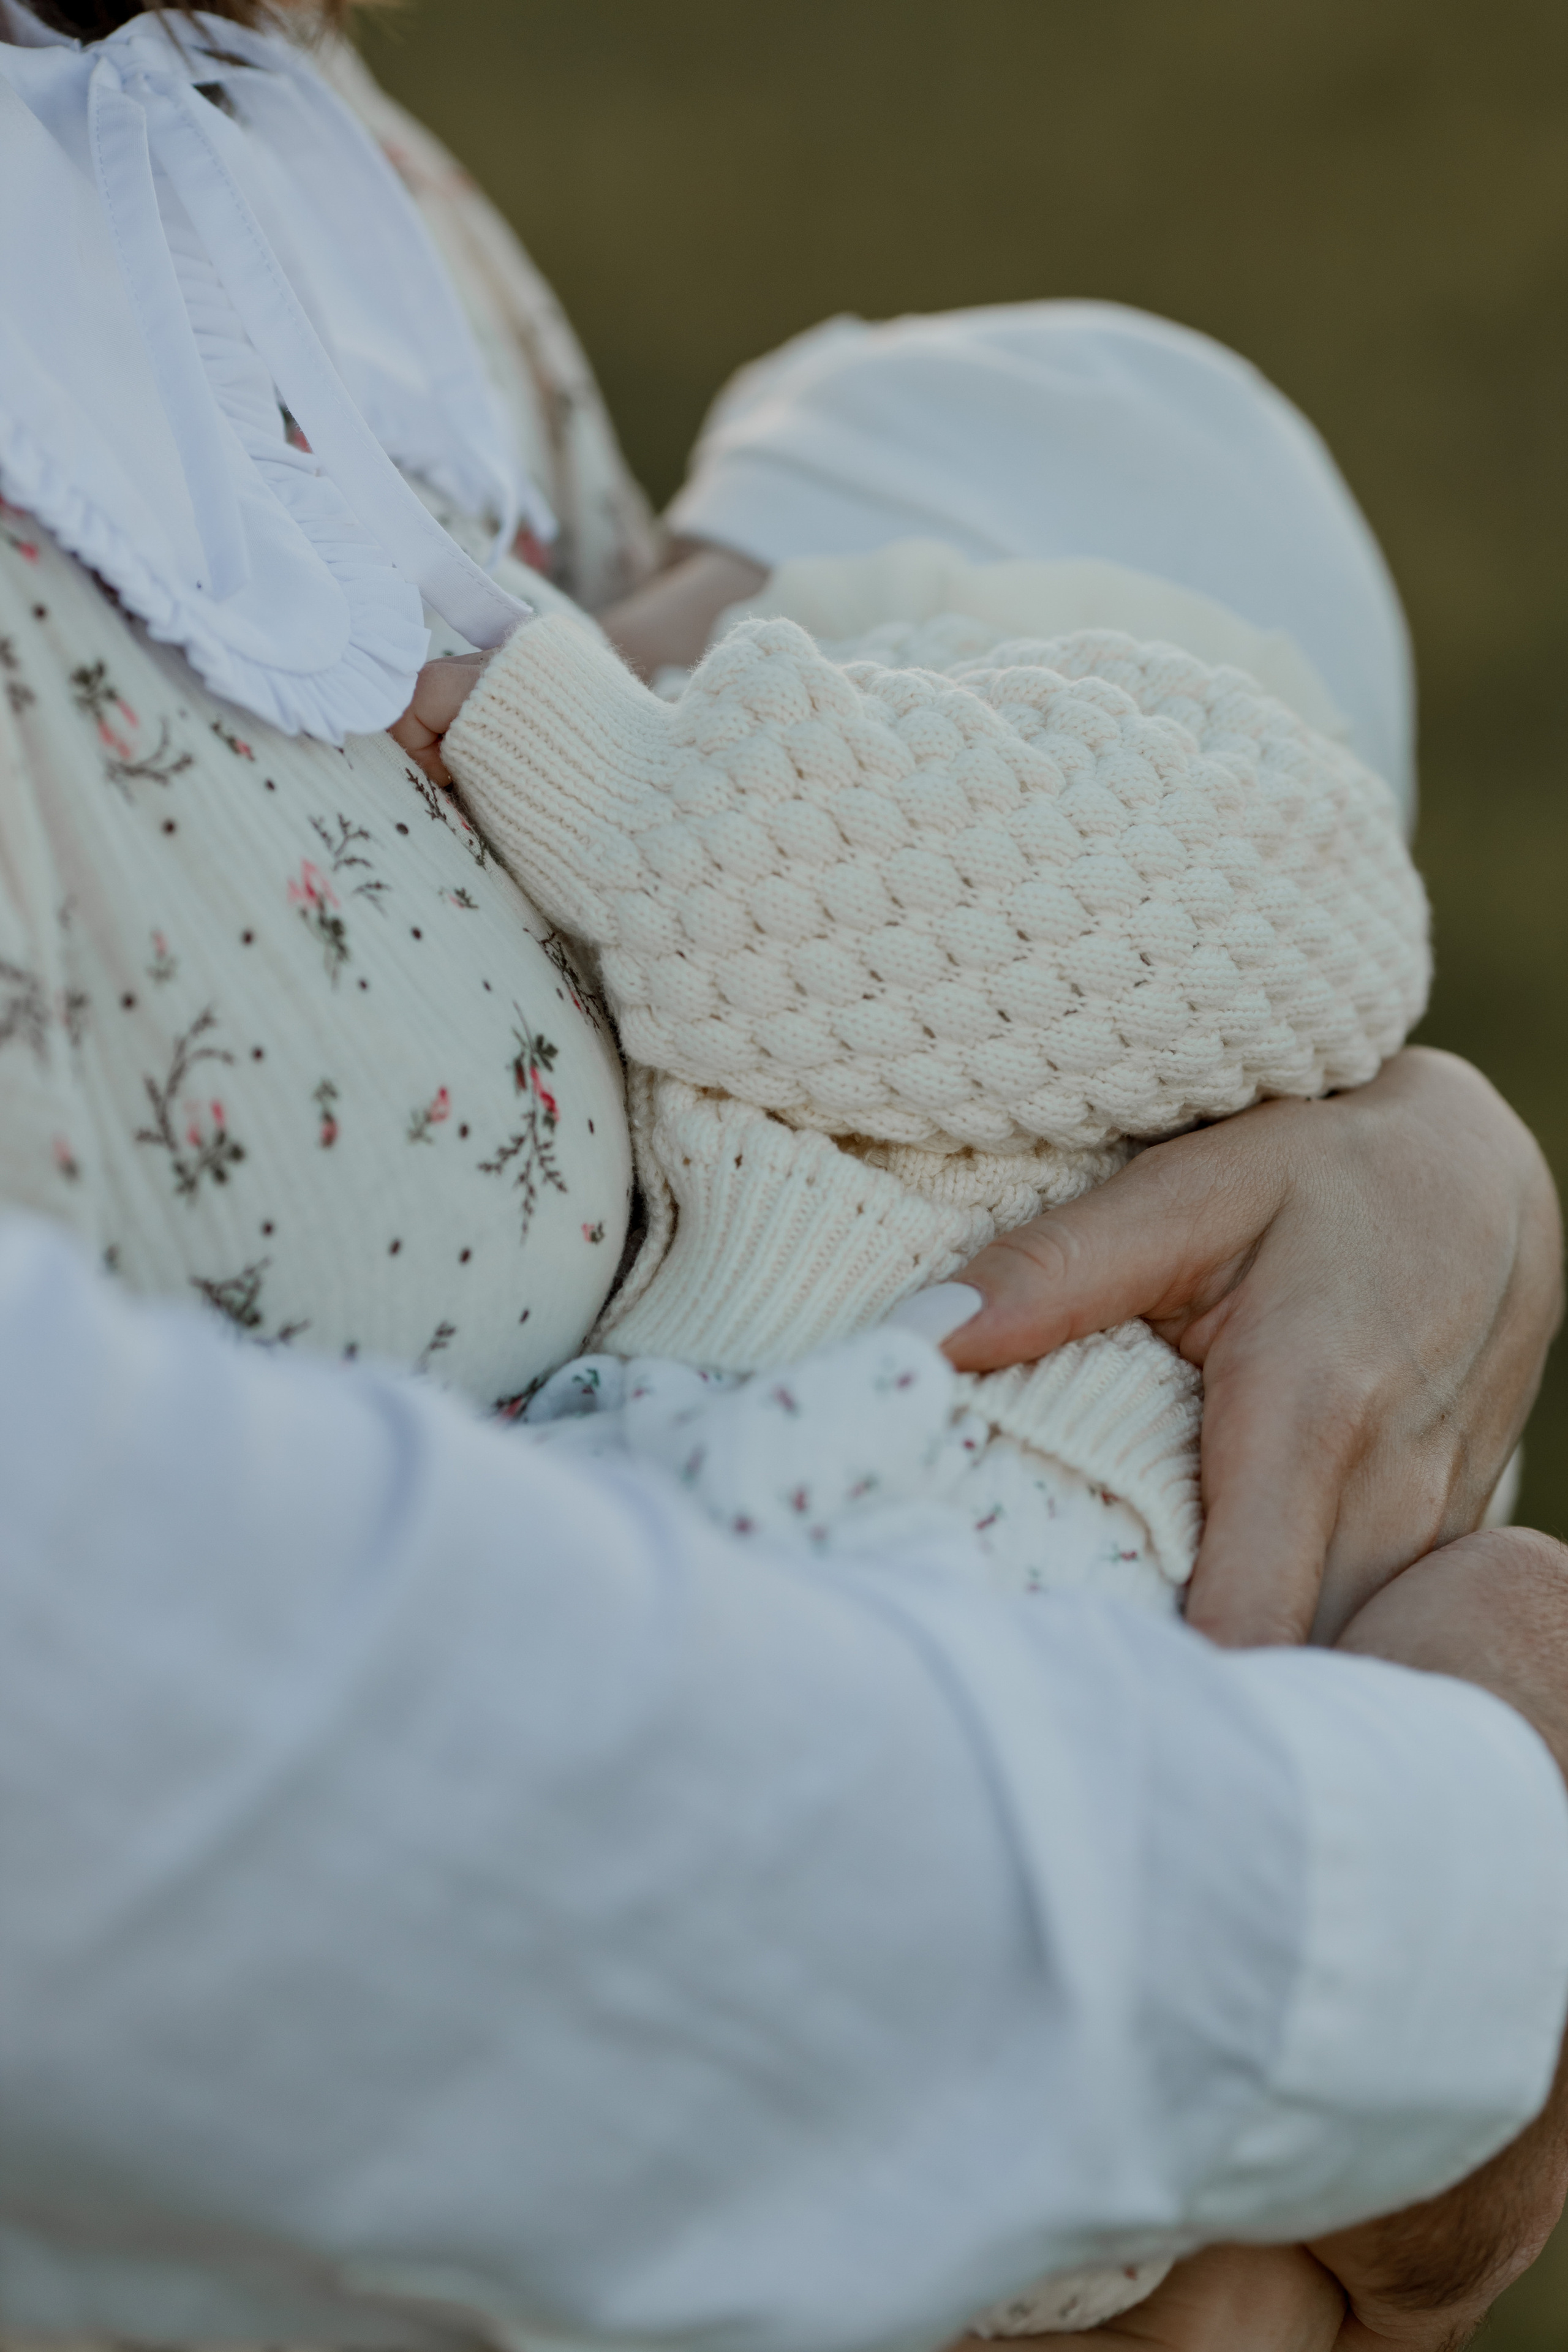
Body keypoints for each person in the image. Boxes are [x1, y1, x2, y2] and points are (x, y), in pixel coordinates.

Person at [1, 4, 1565, 2348]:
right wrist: (1442, 1896)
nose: (648, 621)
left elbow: (744, 878)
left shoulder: (292, 158)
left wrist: (1429, 1170)